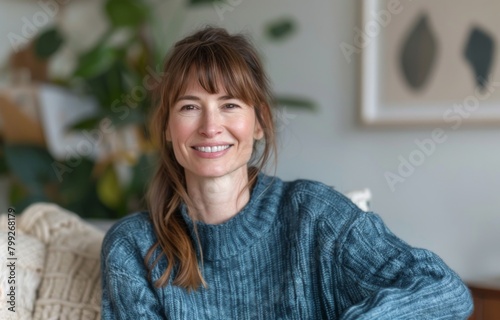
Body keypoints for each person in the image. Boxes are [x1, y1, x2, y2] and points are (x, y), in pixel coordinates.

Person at [100, 27, 473, 319]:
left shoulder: (313, 215)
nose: (210, 126)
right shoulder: (134, 247)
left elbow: (443, 290)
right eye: (189, 107)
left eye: (229, 104)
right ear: (166, 127)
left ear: (259, 122)